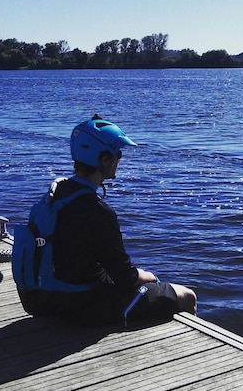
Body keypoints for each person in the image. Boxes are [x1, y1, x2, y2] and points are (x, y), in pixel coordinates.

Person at [17, 114, 197, 326]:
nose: (119, 159)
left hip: (38, 301)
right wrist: (150, 276)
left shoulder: (55, 194)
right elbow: (125, 277)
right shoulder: (98, 212)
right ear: (104, 159)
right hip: (78, 307)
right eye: (117, 154)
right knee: (187, 295)